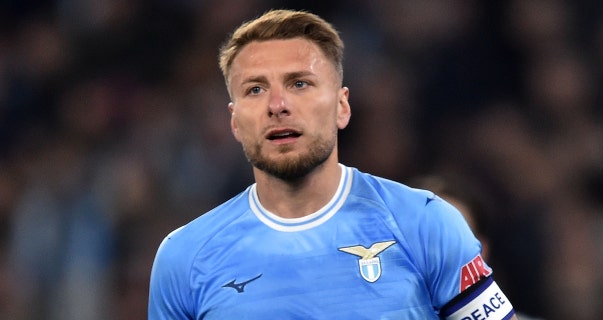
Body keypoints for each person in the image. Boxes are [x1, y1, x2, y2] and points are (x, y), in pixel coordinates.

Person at [148, 9, 518, 320]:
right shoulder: (184, 258)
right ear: (234, 120)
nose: (277, 105)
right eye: (255, 89)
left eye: (299, 83)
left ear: (342, 106)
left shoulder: (424, 224)